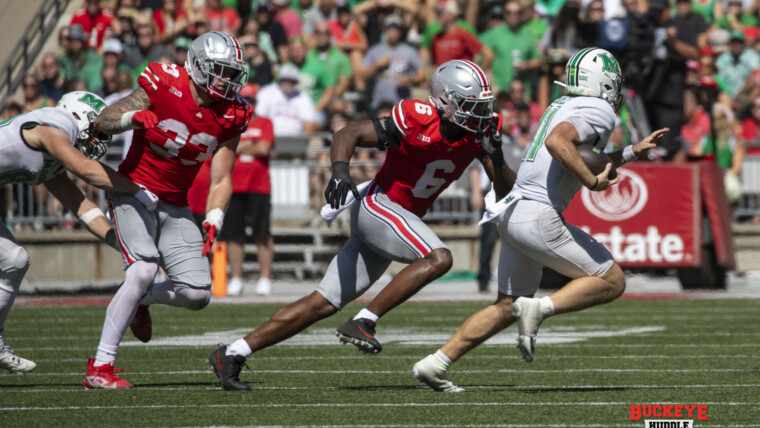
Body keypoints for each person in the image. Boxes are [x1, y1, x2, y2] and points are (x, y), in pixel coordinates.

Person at [207, 59, 516, 391]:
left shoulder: (481, 130)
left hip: (397, 219)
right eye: (472, 105)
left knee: (320, 303)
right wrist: (340, 171)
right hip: (379, 207)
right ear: (444, 101)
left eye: (484, 105)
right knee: (440, 257)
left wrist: (496, 157)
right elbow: (349, 132)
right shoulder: (416, 118)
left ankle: (232, 353)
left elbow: (504, 191)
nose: (481, 113)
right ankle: (364, 320)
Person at [411, 48, 668, 392]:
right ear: (603, 82)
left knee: (506, 306)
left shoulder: (561, 104)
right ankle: (540, 308)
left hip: (512, 211)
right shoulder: (599, 108)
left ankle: (435, 363)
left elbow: (581, 153)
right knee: (612, 281)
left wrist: (630, 153)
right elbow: (558, 142)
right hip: (537, 215)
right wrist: (593, 183)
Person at [83, 31, 252, 389]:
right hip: (133, 190)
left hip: (175, 203)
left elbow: (222, 177)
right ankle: (100, 366)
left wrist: (214, 217)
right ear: (196, 66)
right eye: (219, 70)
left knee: (197, 294)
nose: (227, 80)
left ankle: (141, 299)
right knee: (144, 267)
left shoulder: (233, 113)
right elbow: (104, 120)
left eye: (231, 72)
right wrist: (133, 119)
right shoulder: (164, 81)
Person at [0, 91, 158, 374]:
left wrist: (118, 242)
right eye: (96, 128)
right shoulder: (55, 124)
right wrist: (137, 189)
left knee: (15, 260)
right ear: (79, 115)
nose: (99, 139)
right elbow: (85, 170)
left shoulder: (54, 155)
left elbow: (81, 205)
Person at [217, 84, 276, 297]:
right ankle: (237, 278)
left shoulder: (265, 122)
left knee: (262, 233)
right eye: (245, 100)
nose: (248, 104)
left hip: (259, 186)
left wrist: (241, 146)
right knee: (233, 234)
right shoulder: (230, 124)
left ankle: (265, 278)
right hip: (233, 185)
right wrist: (250, 143)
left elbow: (263, 148)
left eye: (251, 100)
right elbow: (223, 148)